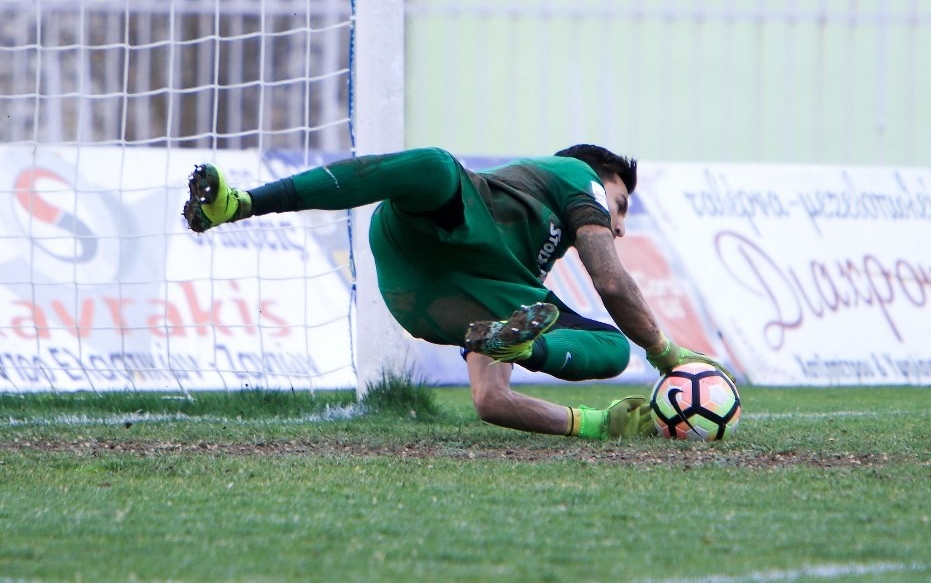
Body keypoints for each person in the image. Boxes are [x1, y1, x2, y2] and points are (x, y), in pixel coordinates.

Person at [182, 145, 733, 439]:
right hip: (434, 232)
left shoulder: (524, 282)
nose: (619, 226)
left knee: (612, 349)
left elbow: (491, 403)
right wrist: (665, 353)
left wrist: (597, 425)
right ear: (596, 179)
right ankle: (243, 203)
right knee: (434, 168)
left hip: (438, 296)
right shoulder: (575, 174)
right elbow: (610, 280)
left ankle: (521, 348)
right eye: (619, 205)